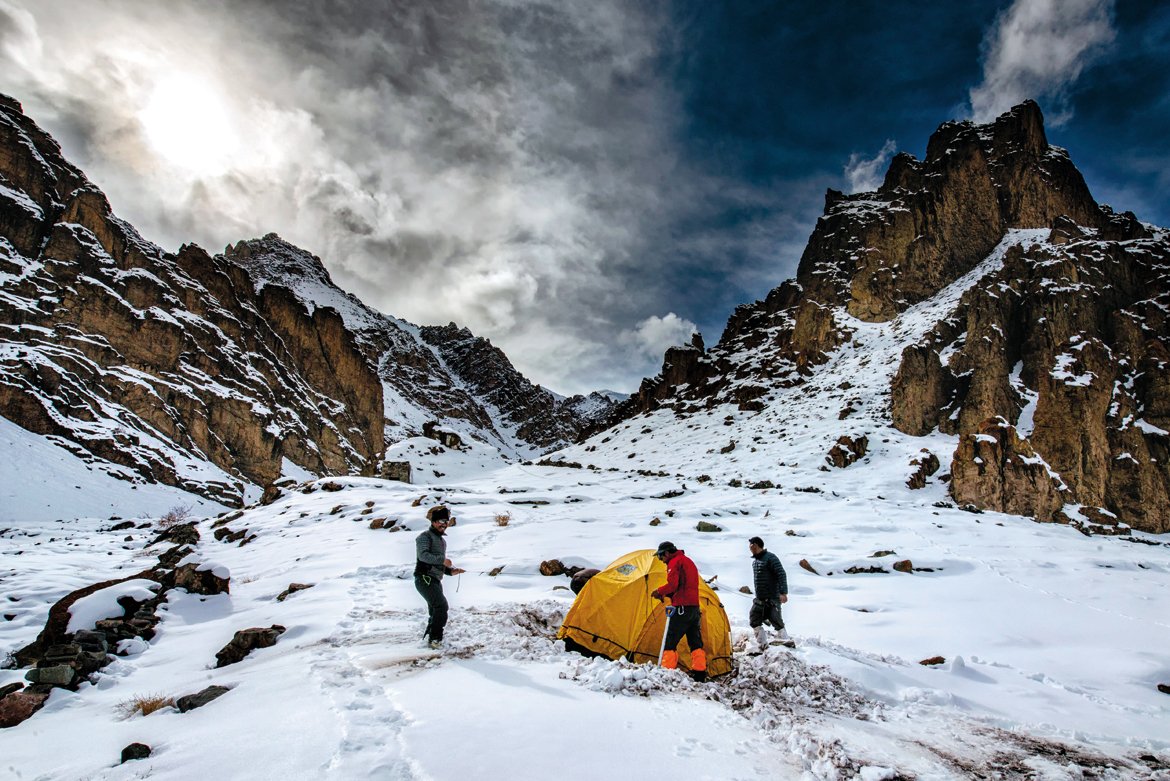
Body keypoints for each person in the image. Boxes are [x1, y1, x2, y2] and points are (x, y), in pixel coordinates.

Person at [650, 541, 707, 682]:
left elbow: (673, 585)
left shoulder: (674, 562)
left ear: (668, 553)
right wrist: (670, 594)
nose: (661, 560)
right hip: (694, 607)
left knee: (670, 641)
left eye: (661, 556)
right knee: (695, 641)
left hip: (681, 608)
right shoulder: (688, 561)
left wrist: (659, 592)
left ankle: (666, 673)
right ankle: (699, 673)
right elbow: (684, 585)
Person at [414, 505, 465, 649]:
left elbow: (438, 564)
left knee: (435, 610)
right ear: (433, 522)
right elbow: (423, 556)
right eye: (441, 521)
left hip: (435, 580)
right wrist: (442, 561)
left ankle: (431, 638)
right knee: (441, 606)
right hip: (424, 578)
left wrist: (450, 571)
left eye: (446, 522)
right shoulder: (424, 537)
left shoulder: (442, 541)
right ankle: (435, 640)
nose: (444, 524)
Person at [748, 536, 790, 649]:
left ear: (754, 545)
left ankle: (786, 642)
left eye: (750, 546)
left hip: (772, 597)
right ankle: (762, 645)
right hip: (760, 598)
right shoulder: (756, 561)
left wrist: (783, 592)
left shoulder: (771, 558)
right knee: (754, 619)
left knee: (776, 621)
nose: (749, 548)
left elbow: (781, 573)